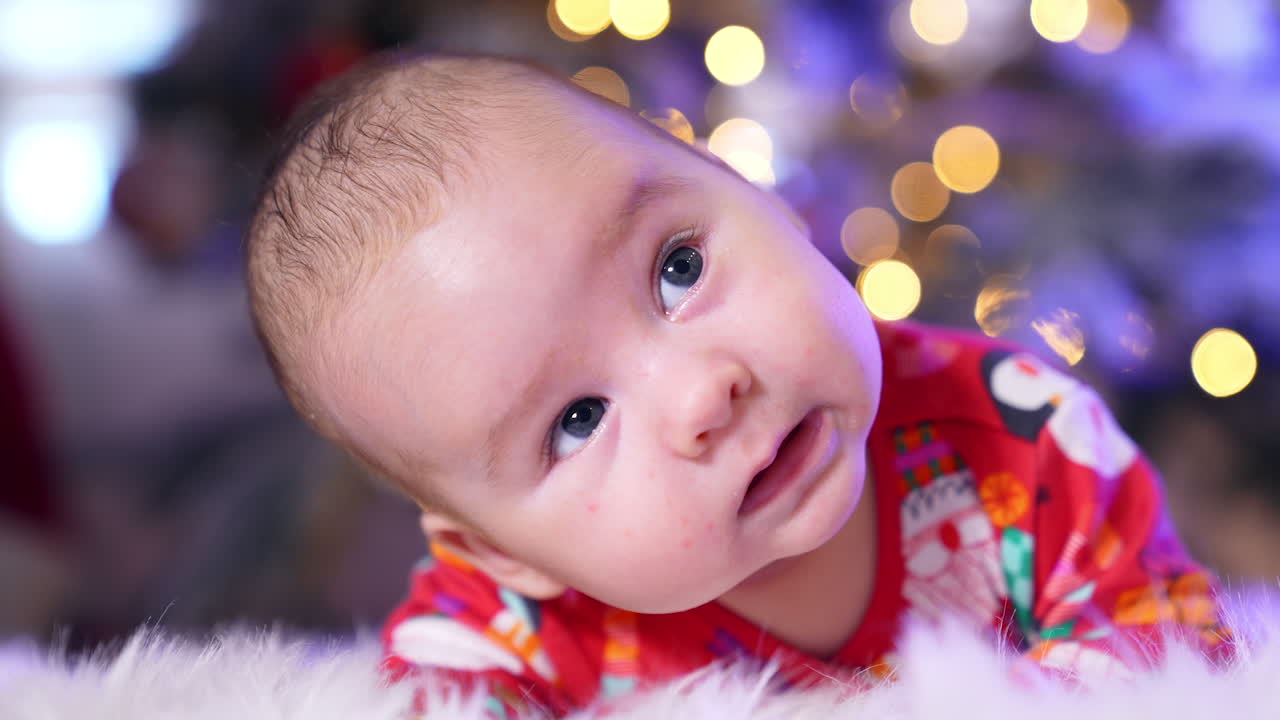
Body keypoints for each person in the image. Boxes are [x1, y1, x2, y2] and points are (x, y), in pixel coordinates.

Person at [244, 52, 1227, 717]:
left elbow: (1162, 662)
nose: (702, 394)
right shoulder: (508, 631)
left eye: (678, 269)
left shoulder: (1018, 436)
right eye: (578, 420)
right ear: (504, 554)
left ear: (759, 194)